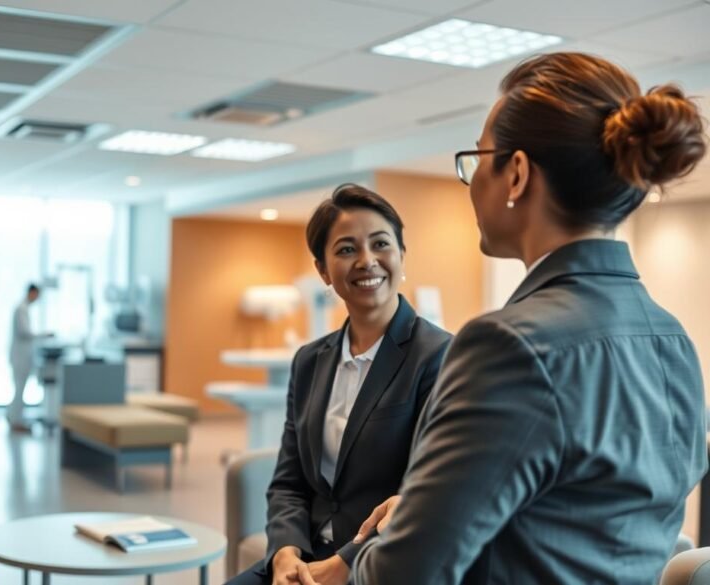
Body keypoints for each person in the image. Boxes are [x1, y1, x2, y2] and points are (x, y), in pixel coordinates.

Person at [351, 52, 708, 585]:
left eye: (477, 160)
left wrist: (372, 547)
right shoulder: (673, 338)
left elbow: (404, 575)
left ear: (516, 174)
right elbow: (580, 517)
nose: (470, 183)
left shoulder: (507, 345)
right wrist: (427, 510)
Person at [227, 184, 452, 585]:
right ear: (323, 271)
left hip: (381, 563)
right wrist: (284, 552)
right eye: (347, 250)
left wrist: (346, 562)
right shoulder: (310, 361)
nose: (367, 261)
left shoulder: (439, 355)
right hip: (308, 554)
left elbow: (424, 490)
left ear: (402, 256)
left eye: (380, 244)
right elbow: (289, 479)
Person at [7, 283, 42, 431]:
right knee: (20, 389)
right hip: (20, 356)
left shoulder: (23, 308)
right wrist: (43, 335)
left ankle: (12, 416)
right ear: (32, 293)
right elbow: (25, 332)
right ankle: (16, 422)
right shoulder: (21, 309)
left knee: (19, 389)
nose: (38, 299)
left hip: (21, 354)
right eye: (37, 295)